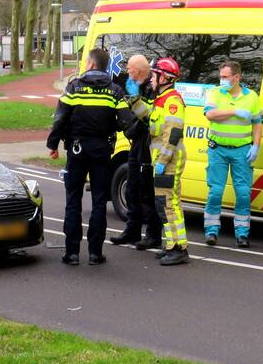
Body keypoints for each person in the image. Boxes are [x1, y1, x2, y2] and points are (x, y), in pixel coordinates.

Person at [47, 47, 134, 266]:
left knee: (73, 200)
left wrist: (53, 144)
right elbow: (126, 122)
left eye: (87, 62)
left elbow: (60, 118)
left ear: (92, 64)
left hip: (76, 151)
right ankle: (95, 253)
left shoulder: (74, 87)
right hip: (102, 151)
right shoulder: (115, 91)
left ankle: (72, 253)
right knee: (98, 202)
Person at [203, 60, 263, 248]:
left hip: (242, 151)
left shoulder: (251, 97)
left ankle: (242, 234)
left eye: (225, 77)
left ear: (237, 77)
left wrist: (256, 145)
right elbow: (210, 115)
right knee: (216, 192)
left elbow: (258, 122)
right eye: (220, 76)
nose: (221, 80)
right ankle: (211, 232)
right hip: (217, 149)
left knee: (244, 193)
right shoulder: (214, 93)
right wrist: (235, 111)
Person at [110, 54, 164, 250]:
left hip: (148, 147)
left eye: (130, 69)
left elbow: (146, 120)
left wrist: (132, 127)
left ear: (139, 71)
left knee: (147, 192)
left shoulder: (153, 89)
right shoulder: (136, 87)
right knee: (132, 189)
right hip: (136, 145)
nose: (127, 72)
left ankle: (153, 235)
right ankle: (131, 230)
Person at [147, 57, 189, 266]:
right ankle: (172, 244)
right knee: (166, 204)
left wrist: (163, 160)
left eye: (154, 75)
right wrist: (134, 100)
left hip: (169, 161)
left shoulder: (172, 101)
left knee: (168, 204)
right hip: (164, 160)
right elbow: (151, 124)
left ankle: (179, 248)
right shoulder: (161, 100)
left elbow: (172, 135)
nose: (151, 79)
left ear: (164, 77)